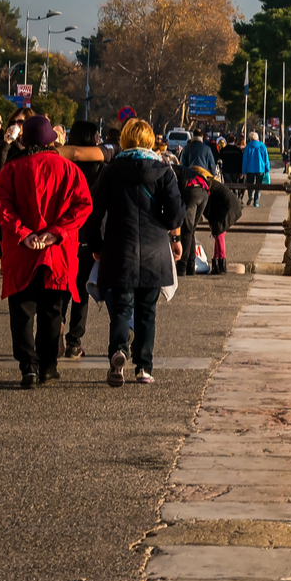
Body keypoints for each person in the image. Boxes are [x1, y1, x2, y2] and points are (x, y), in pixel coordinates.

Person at [0, 115, 92, 388]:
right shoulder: (69, 169)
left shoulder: (12, 169)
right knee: (52, 311)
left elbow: (0, 204)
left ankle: (29, 368)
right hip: (57, 252)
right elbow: (83, 205)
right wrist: (56, 232)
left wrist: (23, 234)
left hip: (22, 251)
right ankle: (48, 366)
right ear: (51, 139)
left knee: (22, 312)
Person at [90, 118, 183, 386]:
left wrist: (96, 245)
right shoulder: (165, 171)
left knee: (121, 308)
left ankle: (118, 351)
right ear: (151, 141)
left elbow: (96, 212)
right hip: (154, 249)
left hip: (120, 247)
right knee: (146, 311)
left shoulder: (111, 171)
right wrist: (169, 233)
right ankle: (144, 367)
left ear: (125, 140)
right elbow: (176, 214)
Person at [57, 121, 111, 357]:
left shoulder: (61, 164)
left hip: (64, 232)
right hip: (90, 232)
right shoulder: (102, 166)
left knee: (61, 288)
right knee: (81, 289)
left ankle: (55, 331)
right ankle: (74, 341)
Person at [242, 133, 271, 207]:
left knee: (250, 183)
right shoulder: (262, 146)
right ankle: (256, 201)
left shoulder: (248, 147)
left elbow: (245, 159)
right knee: (259, 185)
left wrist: (243, 171)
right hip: (260, 168)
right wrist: (267, 169)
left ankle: (250, 195)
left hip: (250, 168)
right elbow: (266, 159)